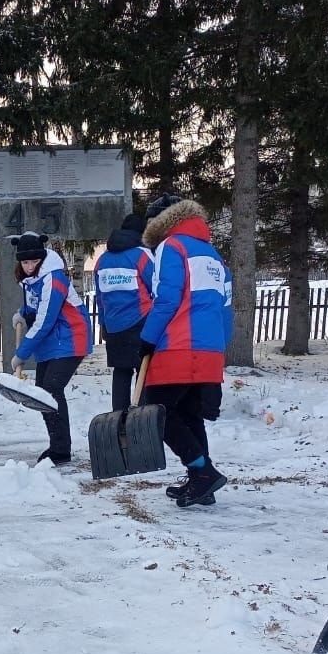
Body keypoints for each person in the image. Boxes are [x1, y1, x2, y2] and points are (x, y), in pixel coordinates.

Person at [139, 195, 233, 507]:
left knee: (155, 412)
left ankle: (202, 471)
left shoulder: (172, 246)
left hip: (178, 344)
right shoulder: (211, 253)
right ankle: (200, 482)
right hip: (209, 346)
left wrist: (148, 338)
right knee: (189, 413)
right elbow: (225, 305)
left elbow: (167, 299)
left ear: (159, 223)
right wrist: (219, 348)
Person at [10, 232, 93, 465]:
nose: (28, 266)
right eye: (24, 262)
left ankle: (61, 449)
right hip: (53, 341)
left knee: (51, 388)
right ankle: (58, 446)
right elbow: (34, 306)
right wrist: (22, 313)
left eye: (33, 262)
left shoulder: (53, 279)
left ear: (42, 258)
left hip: (71, 337)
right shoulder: (31, 280)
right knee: (43, 391)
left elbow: (45, 319)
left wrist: (21, 354)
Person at [94, 212, 155, 410]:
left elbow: (100, 297)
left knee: (121, 371)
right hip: (142, 320)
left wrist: (103, 323)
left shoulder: (102, 260)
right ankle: (142, 418)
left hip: (113, 324)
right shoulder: (142, 255)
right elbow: (156, 286)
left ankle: (118, 419)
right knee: (144, 371)